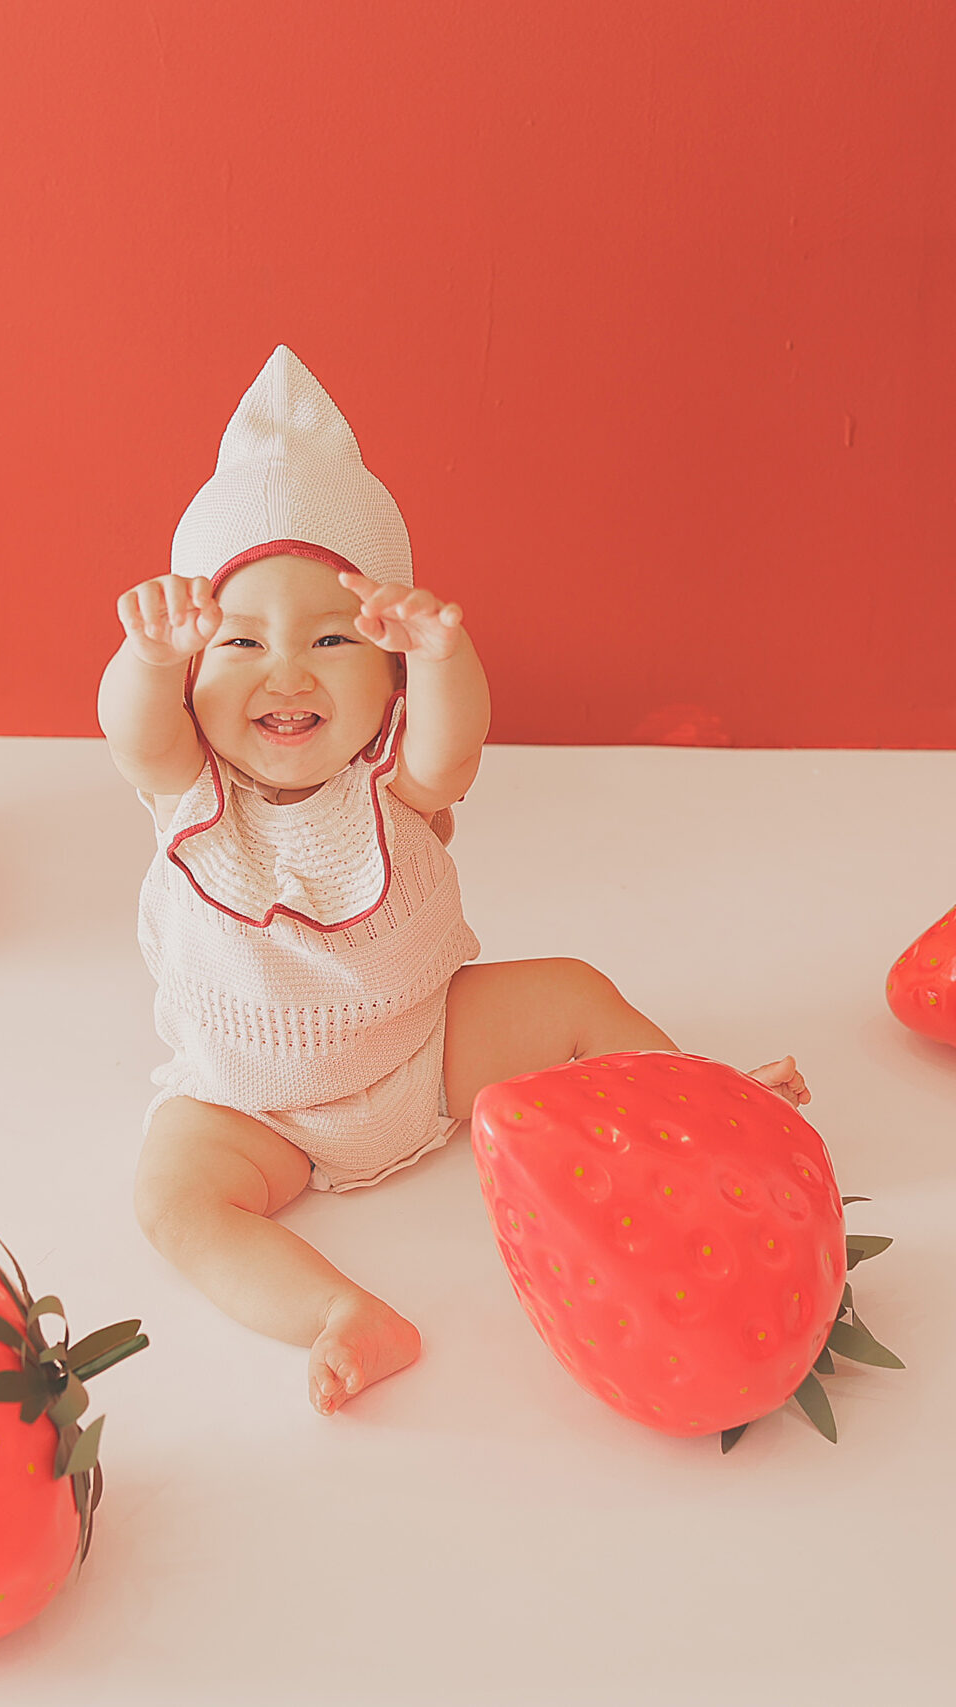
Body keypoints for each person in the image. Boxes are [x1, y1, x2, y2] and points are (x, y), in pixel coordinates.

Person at [99, 347, 809, 1414]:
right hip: (254, 1107)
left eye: (330, 638)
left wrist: (440, 656)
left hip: (428, 1050)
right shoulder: (190, 792)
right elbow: (134, 732)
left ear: (385, 679)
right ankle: (339, 1313)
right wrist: (150, 657)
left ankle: (702, 1105)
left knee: (570, 991)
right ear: (195, 678)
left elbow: (451, 745)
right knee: (172, 1202)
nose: (285, 670)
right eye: (239, 641)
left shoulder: (394, 783)